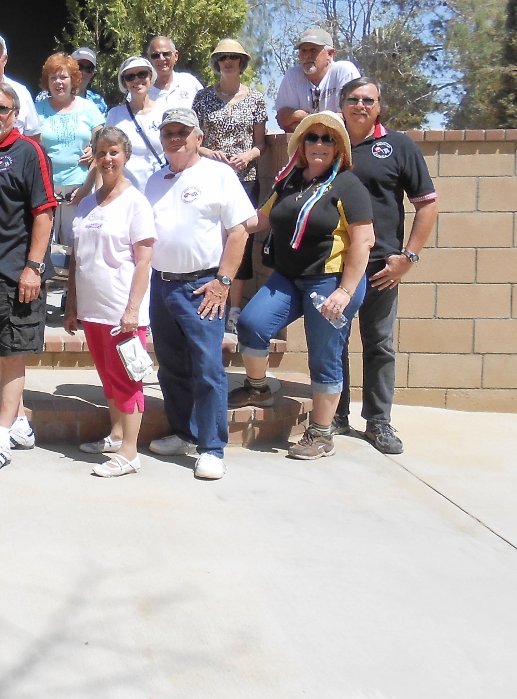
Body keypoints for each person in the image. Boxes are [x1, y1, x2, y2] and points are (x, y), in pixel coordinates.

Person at [234, 112, 375, 461]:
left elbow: (364, 241)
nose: (319, 144)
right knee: (251, 324)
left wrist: (344, 291)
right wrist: (223, 223)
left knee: (324, 355)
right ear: (301, 144)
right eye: (312, 137)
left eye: (328, 139)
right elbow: (260, 218)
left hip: (331, 281)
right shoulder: (290, 180)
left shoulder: (348, 185)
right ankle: (258, 389)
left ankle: (322, 433)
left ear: (339, 147)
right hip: (288, 277)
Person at [144, 107, 255, 482]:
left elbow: (239, 231)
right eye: (168, 133)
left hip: (202, 286)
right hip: (161, 284)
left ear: (199, 137)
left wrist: (223, 282)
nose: (175, 138)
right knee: (171, 366)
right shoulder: (154, 180)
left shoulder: (219, 175)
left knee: (207, 368)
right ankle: (184, 432)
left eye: (183, 132)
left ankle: (212, 448)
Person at [337, 78, 438, 453]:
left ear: (378, 106)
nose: (360, 105)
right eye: (353, 99)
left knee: (378, 343)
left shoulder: (399, 146)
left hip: (381, 267)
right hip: (335, 264)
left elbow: (427, 204)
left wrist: (408, 257)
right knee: (334, 342)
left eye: (369, 100)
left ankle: (378, 422)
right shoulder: (329, 143)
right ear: (342, 104)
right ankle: (334, 417)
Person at [0, 81, 57, 475]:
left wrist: (33, 267)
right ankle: (19, 423)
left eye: (2, 108)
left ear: (16, 113)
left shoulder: (29, 152)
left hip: (18, 274)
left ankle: (1, 439)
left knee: (13, 353)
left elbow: (44, 213)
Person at [64, 127, 156, 477]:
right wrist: (72, 305)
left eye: (114, 152)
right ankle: (117, 435)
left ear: (125, 156)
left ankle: (130, 453)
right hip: (92, 310)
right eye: (101, 152)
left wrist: (133, 309)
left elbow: (144, 261)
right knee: (108, 377)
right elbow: (77, 258)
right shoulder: (87, 204)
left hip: (122, 313)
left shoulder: (136, 203)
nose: (107, 159)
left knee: (128, 380)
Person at [192, 39, 267, 333]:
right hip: (210, 178)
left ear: (242, 62)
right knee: (212, 240)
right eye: (222, 57)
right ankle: (210, 302)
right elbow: (194, 142)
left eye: (233, 57)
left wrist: (248, 156)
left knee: (240, 240)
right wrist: (211, 154)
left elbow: (260, 144)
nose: (228, 61)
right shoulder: (202, 98)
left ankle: (234, 309)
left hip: (244, 181)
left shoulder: (256, 99)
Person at [33, 52, 104, 242]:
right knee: (45, 247)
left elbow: (101, 150)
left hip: (81, 188)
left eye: (63, 77)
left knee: (79, 248)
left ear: (73, 80)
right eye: (53, 78)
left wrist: (86, 188)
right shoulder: (37, 110)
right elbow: (30, 151)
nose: (58, 82)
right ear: (47, 82)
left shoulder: (89, 108)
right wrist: (44, 189)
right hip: (46, 192)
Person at [274, 26, 362, 132]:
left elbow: (350, 118)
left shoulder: (344, 71)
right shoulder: (293, 75)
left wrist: (303, 119)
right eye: (303, 50)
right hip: (307, 142)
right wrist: (299, 115)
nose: (307, 55)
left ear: (330, 54)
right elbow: (282, 118)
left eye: (313, 50)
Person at [104, 57, 166, 190]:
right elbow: (105, 154)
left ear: (150, 76)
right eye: (130, 77)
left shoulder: (164, 111)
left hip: (161, 188)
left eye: (142, 74)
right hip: (126, 191)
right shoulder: (114, 115)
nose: (137, 80)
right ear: (124, 83)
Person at [146, 35, 205, 110]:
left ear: (176, 56)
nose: (161, 59)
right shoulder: (143, 91)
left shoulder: (190, 82)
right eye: (155, 56)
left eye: (166, 54)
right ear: (149, 59)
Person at [71, 46, 110, 115]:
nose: (83, 72)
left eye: (89, 69)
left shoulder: (98, 102)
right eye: (79, 67)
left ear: (93, 74)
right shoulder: (56, 97)